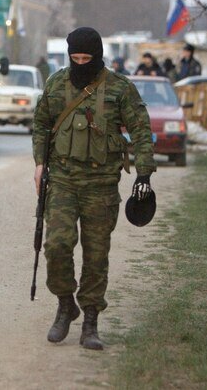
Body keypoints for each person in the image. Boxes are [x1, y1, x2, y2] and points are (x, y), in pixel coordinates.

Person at [32, 27, 156, 351]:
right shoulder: (56, 84)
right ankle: (64, 304)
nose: (81, 63)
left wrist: (144, 175)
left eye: (87, 58)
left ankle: (90, 320)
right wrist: (38, 163)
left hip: (101, 186)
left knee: (96, 255)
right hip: (62, 179)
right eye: (76, 58)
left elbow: (142, 130)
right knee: (57, 245)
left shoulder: (119, 89)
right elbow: (42, 124)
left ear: (98, 56)